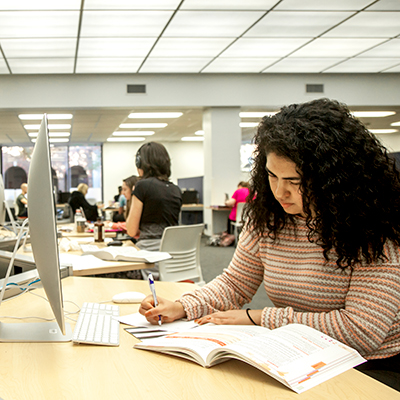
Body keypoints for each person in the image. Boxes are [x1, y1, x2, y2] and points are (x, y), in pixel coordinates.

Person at [139, 99, 400, 391]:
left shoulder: (372, 228)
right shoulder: (269, 219)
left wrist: (260, 317)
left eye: (294, 180)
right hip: (299, 352)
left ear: (332, 178)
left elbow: (361, 331)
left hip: (370, 365)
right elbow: (235, 284)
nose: (279, 191)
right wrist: (183, 306)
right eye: (271, 175)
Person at [126, 142, 182, 279]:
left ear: (140, 163)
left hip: (148, 261)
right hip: (173, 259)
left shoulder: (142, 186)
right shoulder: (176, 190)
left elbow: (131, 231)